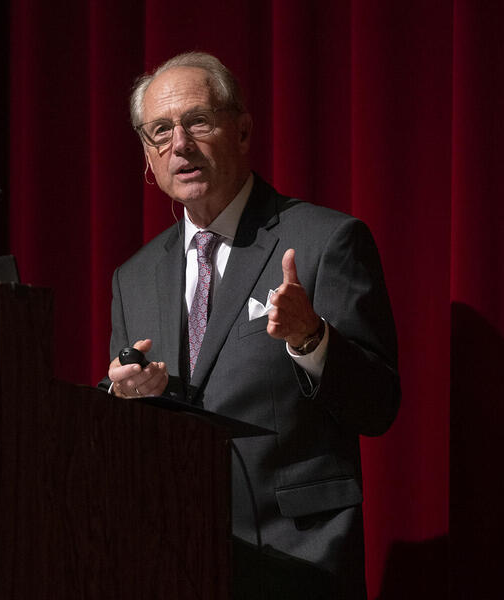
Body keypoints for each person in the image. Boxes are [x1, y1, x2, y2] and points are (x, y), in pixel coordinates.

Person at [101, 51, 400, 599]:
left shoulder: (323, 241)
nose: (180, 145)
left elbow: (379, 405)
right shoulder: (133, 278)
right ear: (147, 154)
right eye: (160, 131)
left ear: (241, 131)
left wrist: (312, 338)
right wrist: (120, 397)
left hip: (298, 558)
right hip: (174, 561)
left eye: (197, 122)